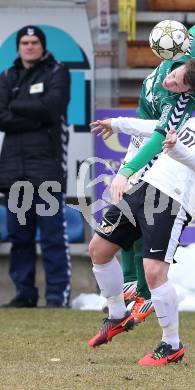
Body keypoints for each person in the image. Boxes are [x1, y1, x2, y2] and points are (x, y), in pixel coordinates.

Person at [88, 76, 195, 366]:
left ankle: (171, 345)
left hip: (172, 201)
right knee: (98, 249)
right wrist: (117, 123)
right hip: (144, 188)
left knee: (153, 273)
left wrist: (175, 147)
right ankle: (117, 314)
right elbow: (157, 129)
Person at [91, 23, 195, 323]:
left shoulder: (180, 104)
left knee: (132, 210)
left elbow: (159, 137)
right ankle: (133, 283)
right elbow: (192, 42)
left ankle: (141, 290)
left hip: (152, 145)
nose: (170, 82)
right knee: (124, 210)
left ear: (189, 90)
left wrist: (128, 169)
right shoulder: (185, 53)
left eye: (177, 84)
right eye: (173, 76)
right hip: (137, 140)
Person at [0, 25, 71, 308]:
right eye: (25, 42)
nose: (29, 46)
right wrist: (36, 113)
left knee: (53, 236)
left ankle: (57, 295)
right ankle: (25, 293)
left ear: (42, 46)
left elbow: (52, 109)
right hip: (15, 173)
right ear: (18, 47)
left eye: (34, 42)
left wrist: (16, 107)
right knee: (20, 238)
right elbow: (1, 116)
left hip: (47, 171)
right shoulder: (7, 76)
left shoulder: (57, 72)